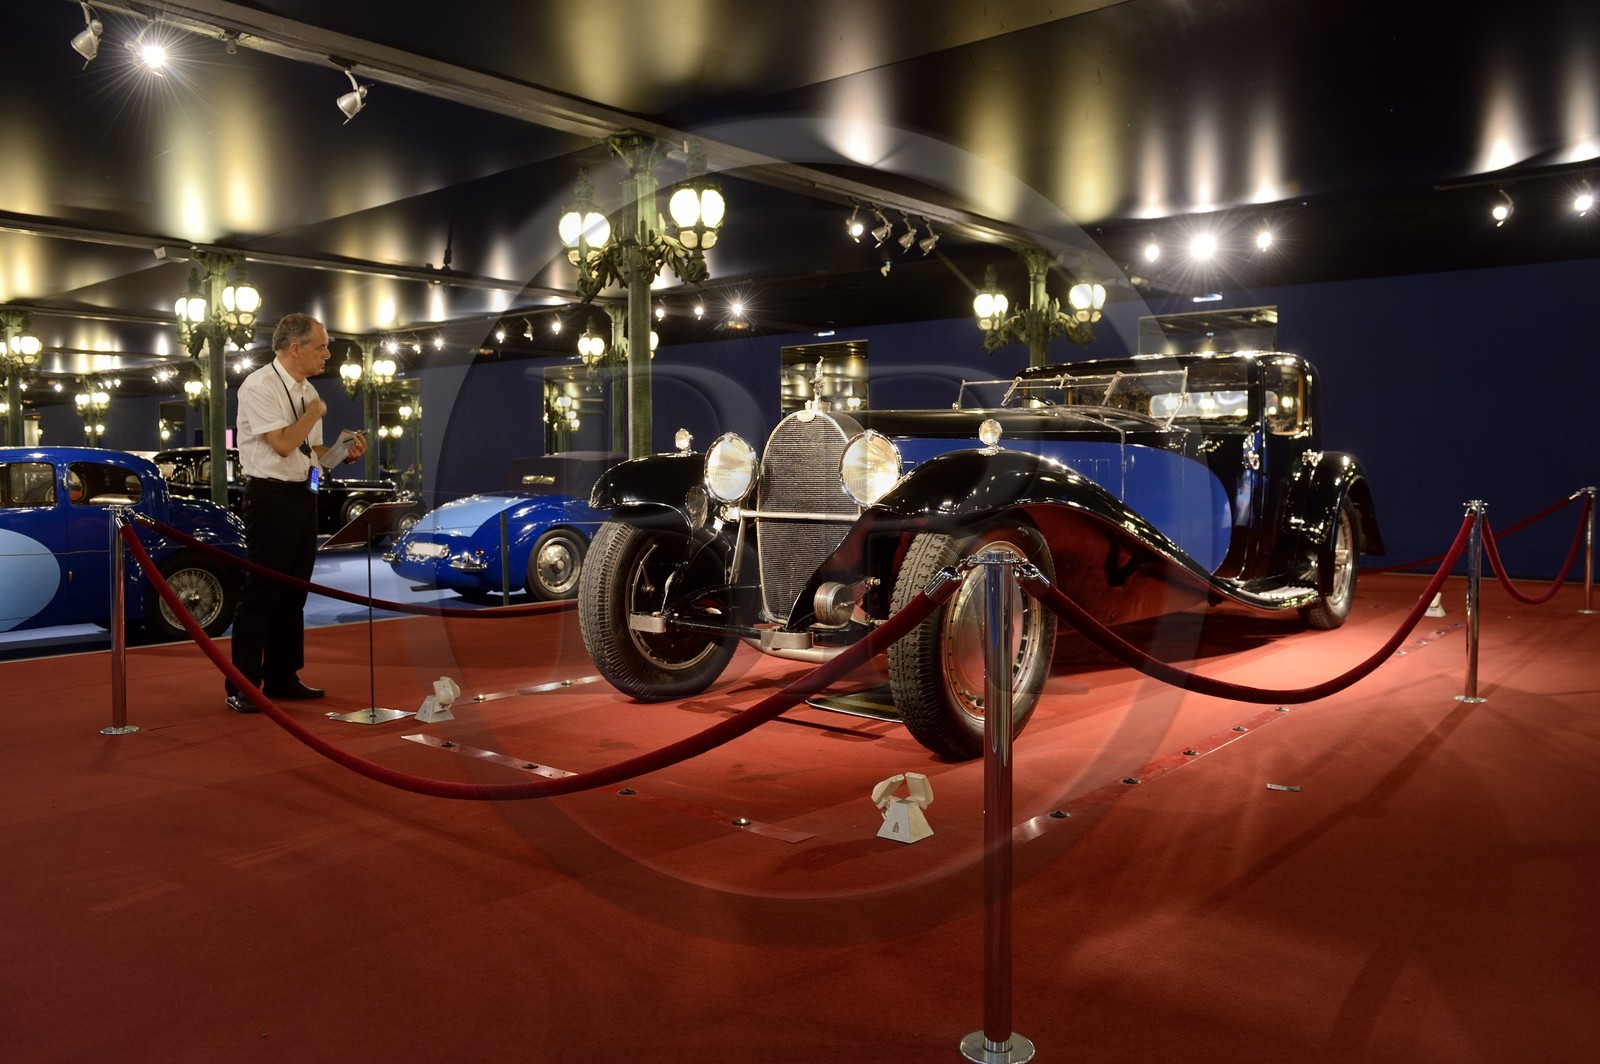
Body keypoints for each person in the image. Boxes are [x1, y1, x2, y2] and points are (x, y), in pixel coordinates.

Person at [225, 313, 366, 714]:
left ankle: (283, 676)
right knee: (262, 593)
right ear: (295, 348)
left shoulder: (307, 390)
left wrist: (345, 452)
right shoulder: (259, 385)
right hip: (268, 497)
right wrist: (313, 413)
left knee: (294, 593)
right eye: (321, 346)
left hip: (302, 496)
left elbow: (312, 455)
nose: (328, 354)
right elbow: (284, 444)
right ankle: (243, 685)